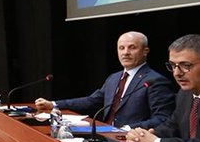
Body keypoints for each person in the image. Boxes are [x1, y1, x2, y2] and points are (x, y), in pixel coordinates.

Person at [35, 32, 175, 129]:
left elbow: (163, 119)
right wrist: (53, 104)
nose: (125, 52)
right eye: (121, 48)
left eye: (132, 48)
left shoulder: (154, 81)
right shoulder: (114, 78)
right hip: (105, 136)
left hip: (131, 140)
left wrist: (127, 128)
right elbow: (91, 101)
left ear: (145, 51)